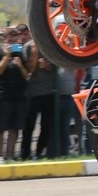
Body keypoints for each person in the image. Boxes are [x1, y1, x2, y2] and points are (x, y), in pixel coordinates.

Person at [0, 25, 30, 163]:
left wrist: (20, 65)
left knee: (14, 128)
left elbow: (26, 75)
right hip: (3, 96)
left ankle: (10, 155)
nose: (13, 43)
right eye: (10, 40)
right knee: (0, 129)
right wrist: (7, 56)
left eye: (15, 40)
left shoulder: (20, 53)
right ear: (5, 39)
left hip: (18, 95)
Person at [21, 31, 59, 159]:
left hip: (48, 92)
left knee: (46, 126)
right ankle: (25, 154)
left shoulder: (49, 45)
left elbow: (55, 68)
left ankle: (39, 152)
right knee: (28, 125)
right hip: (32, 93)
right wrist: (35, 51)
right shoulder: (27, 47)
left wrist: (46, 66)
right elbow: (29, 69)